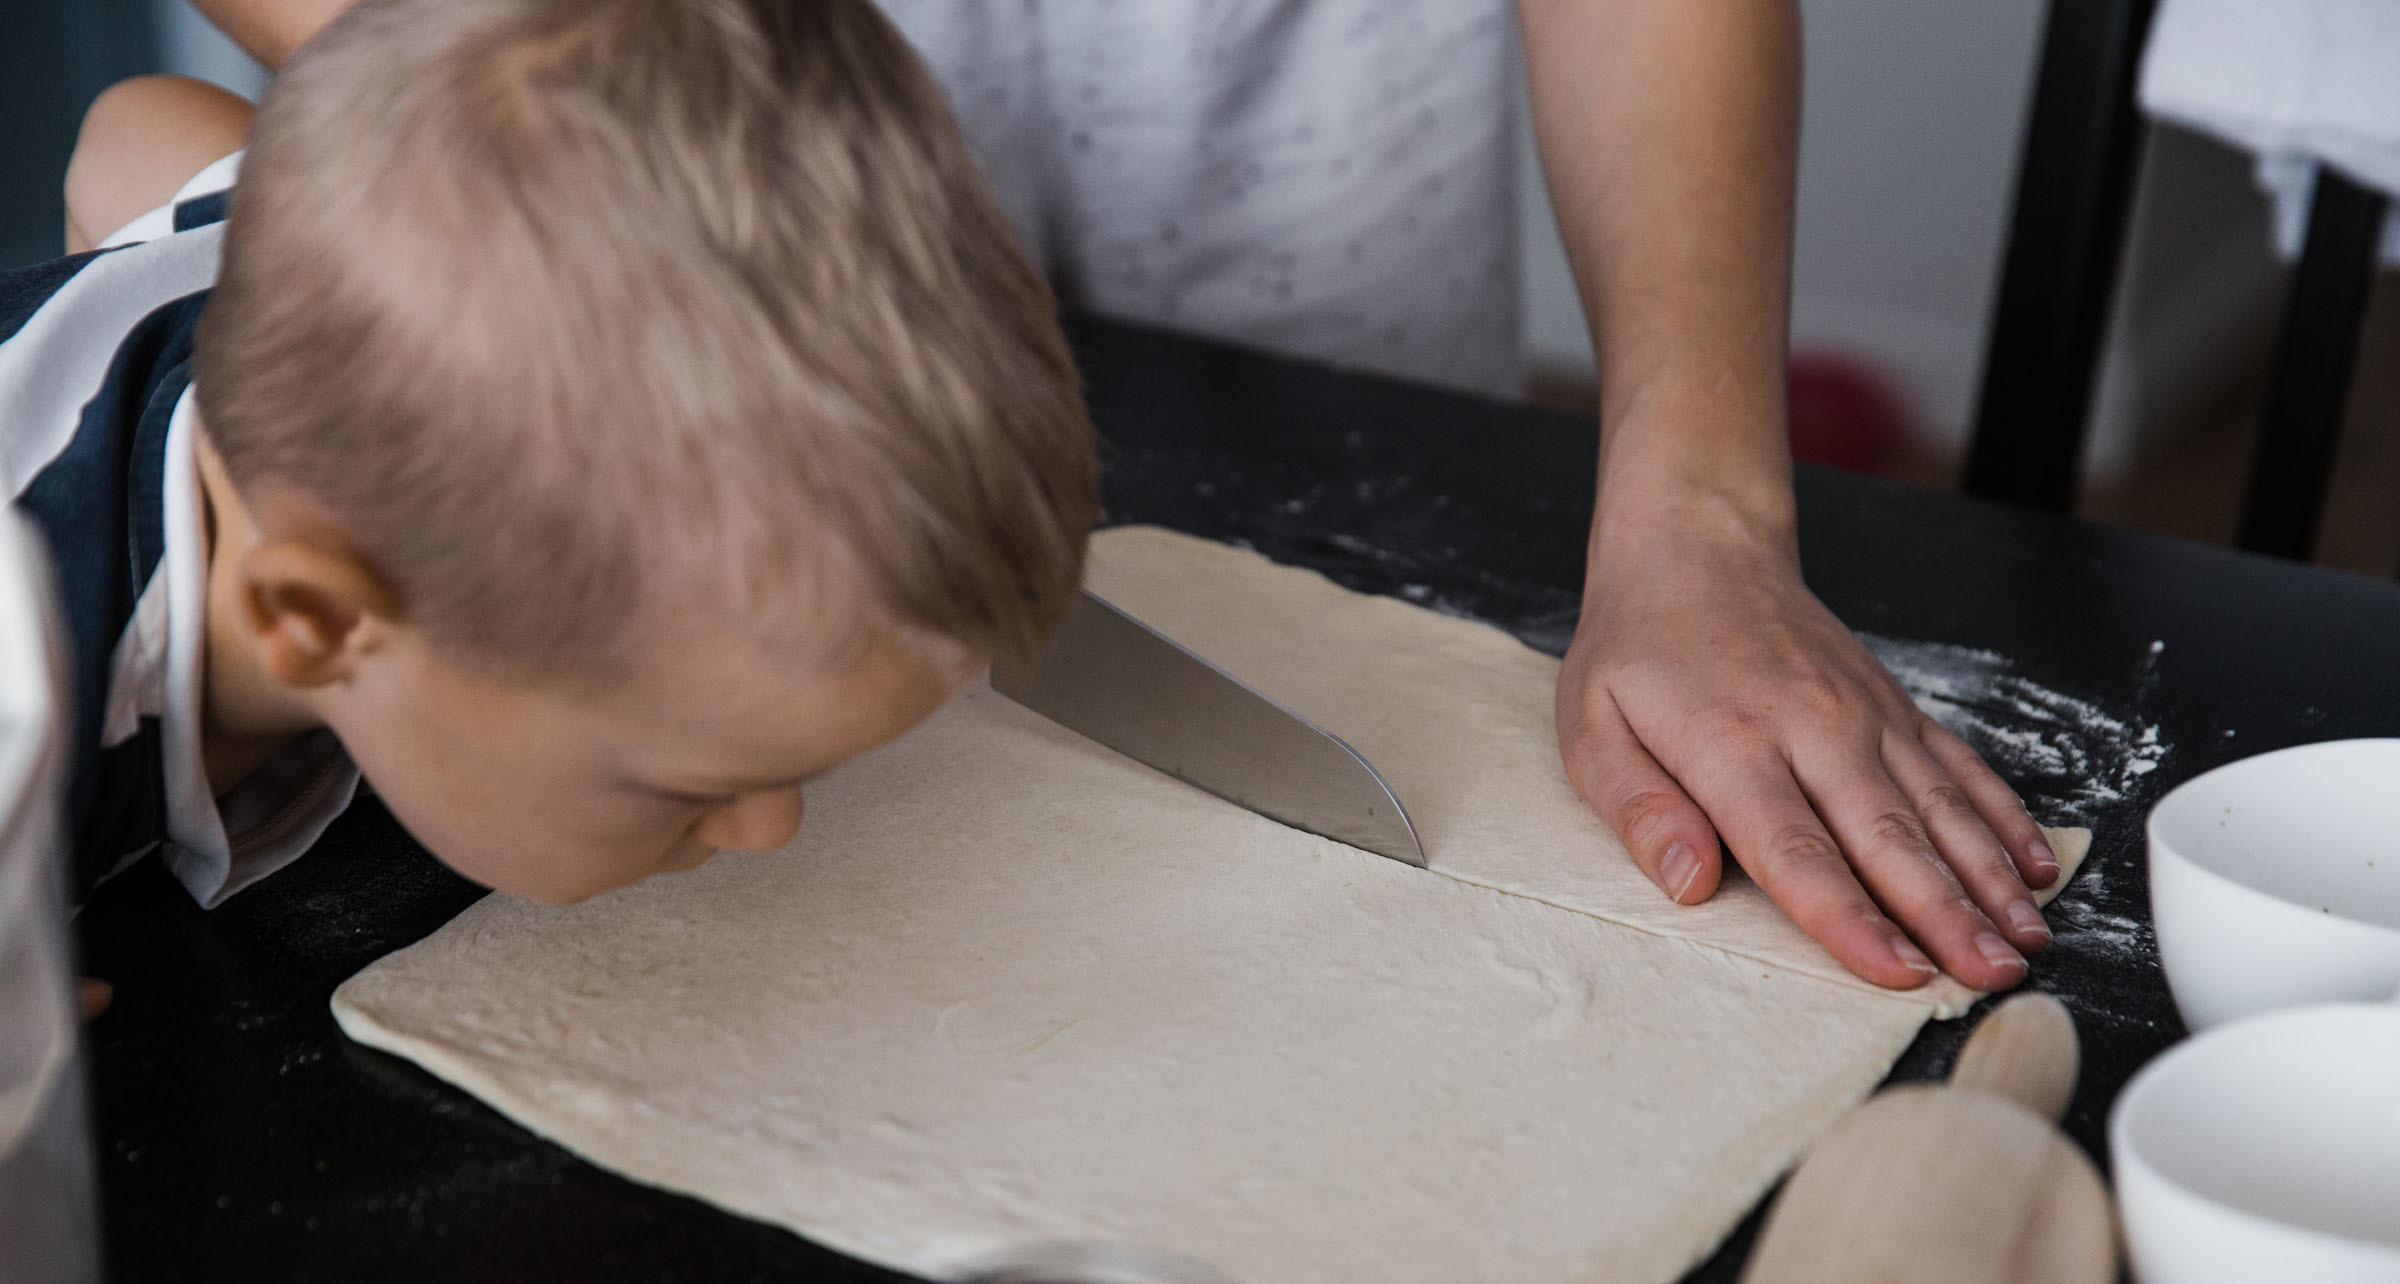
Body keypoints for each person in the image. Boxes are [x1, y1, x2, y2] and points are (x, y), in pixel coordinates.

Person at [72, 0, 2061, 995]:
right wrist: (576, 207)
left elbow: (136, 162)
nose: (773, 833)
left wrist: (1699, 504)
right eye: (699, 784)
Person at [23, 0, 1095, 933]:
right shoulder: (29, 704)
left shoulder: (285, 279)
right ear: (318, 619)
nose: (772, 828)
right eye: (689, 784)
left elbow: (133, 129)